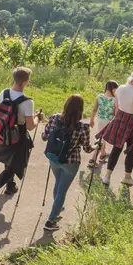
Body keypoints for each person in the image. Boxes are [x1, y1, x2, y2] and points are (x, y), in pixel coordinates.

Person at [0, 67, 43, 206]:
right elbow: (30, 126)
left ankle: (10, 186)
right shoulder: (27, 102)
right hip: (18, 134)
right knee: (16, 164)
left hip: (3, 131)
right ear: (25, 82)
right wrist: (38, 118)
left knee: (9, 159)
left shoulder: (3, 93)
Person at [40, 94, 94, 231]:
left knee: (58, 184)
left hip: (53, 157)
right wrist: (95, 147)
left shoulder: (54, 118)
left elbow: (44, 137)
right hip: (71, 162)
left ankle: (58, 207)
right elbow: (87, 149)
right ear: (81, 109)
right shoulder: (83, 127)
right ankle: (51, 221)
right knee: (62, 190)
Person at [97, 68, 133, 188]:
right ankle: (127, 177)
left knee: (116, 149)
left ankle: (107, 177)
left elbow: (117, 105)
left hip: (120, 119)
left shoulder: (120, 88)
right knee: (131, 151)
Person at [86, 79, 118, 168]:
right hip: (109, 122)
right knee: (102, 140)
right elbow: (116, 114)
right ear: (113, 89)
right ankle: (92, 160)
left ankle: (103, 155)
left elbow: (94, 109)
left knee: (102, 139)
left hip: (100, 120)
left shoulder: (99, 96)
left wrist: (92, 120)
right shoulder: (115, 99)